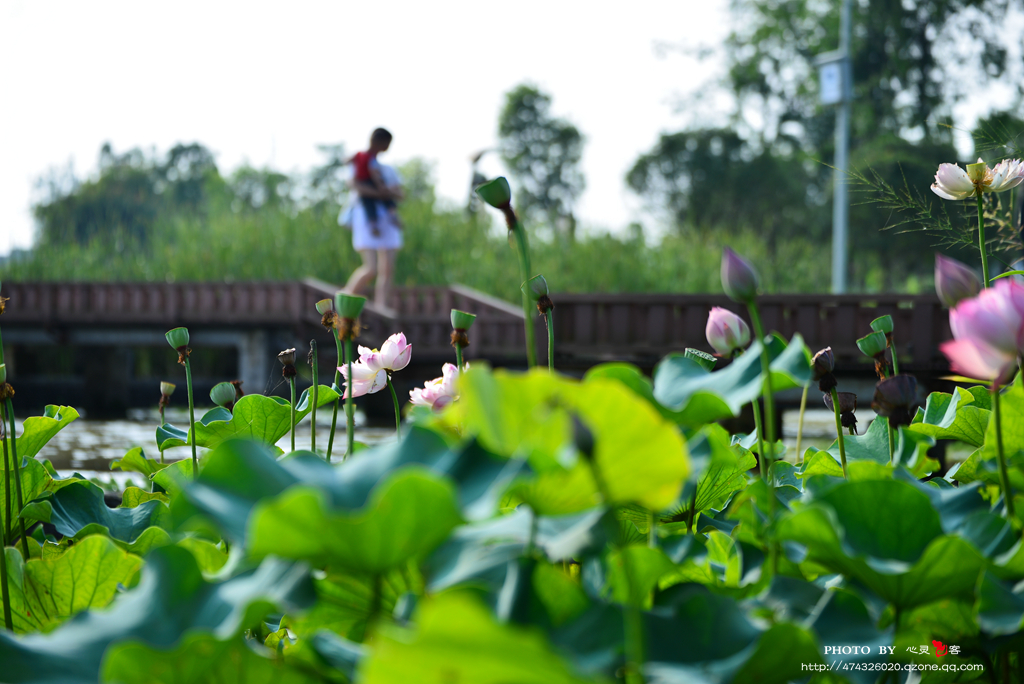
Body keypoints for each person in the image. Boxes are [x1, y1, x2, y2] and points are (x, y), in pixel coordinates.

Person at [341, 128, 403, 308]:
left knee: (387, 270)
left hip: (388, 219)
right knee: (371, 269)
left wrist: (387, 192)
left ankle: (381, 308)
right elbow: (355, 185)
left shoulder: (387, 169)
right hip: (366, 218)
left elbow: (400, 193)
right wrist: (380, 193)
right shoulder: (359, 159)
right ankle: (343, 303)